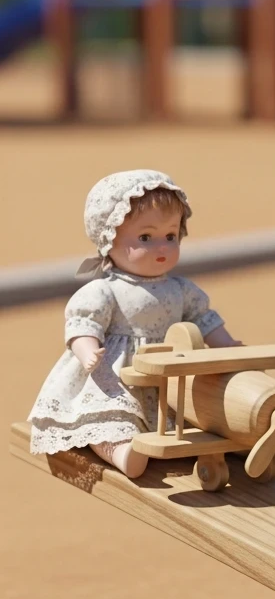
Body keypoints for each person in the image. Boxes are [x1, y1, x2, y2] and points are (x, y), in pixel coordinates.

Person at [28, 169, 240, 477]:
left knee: (196, 412)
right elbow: (83, 324)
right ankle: (119, 451)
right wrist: (87, 350)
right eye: (145, 238)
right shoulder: (106, 290)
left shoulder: (181, 289)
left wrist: (227, 345)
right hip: (117, 377)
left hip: (170, 373)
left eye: (170, 236)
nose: (163, 247)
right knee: (109, 419)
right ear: (108, 239)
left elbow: (204, 319)